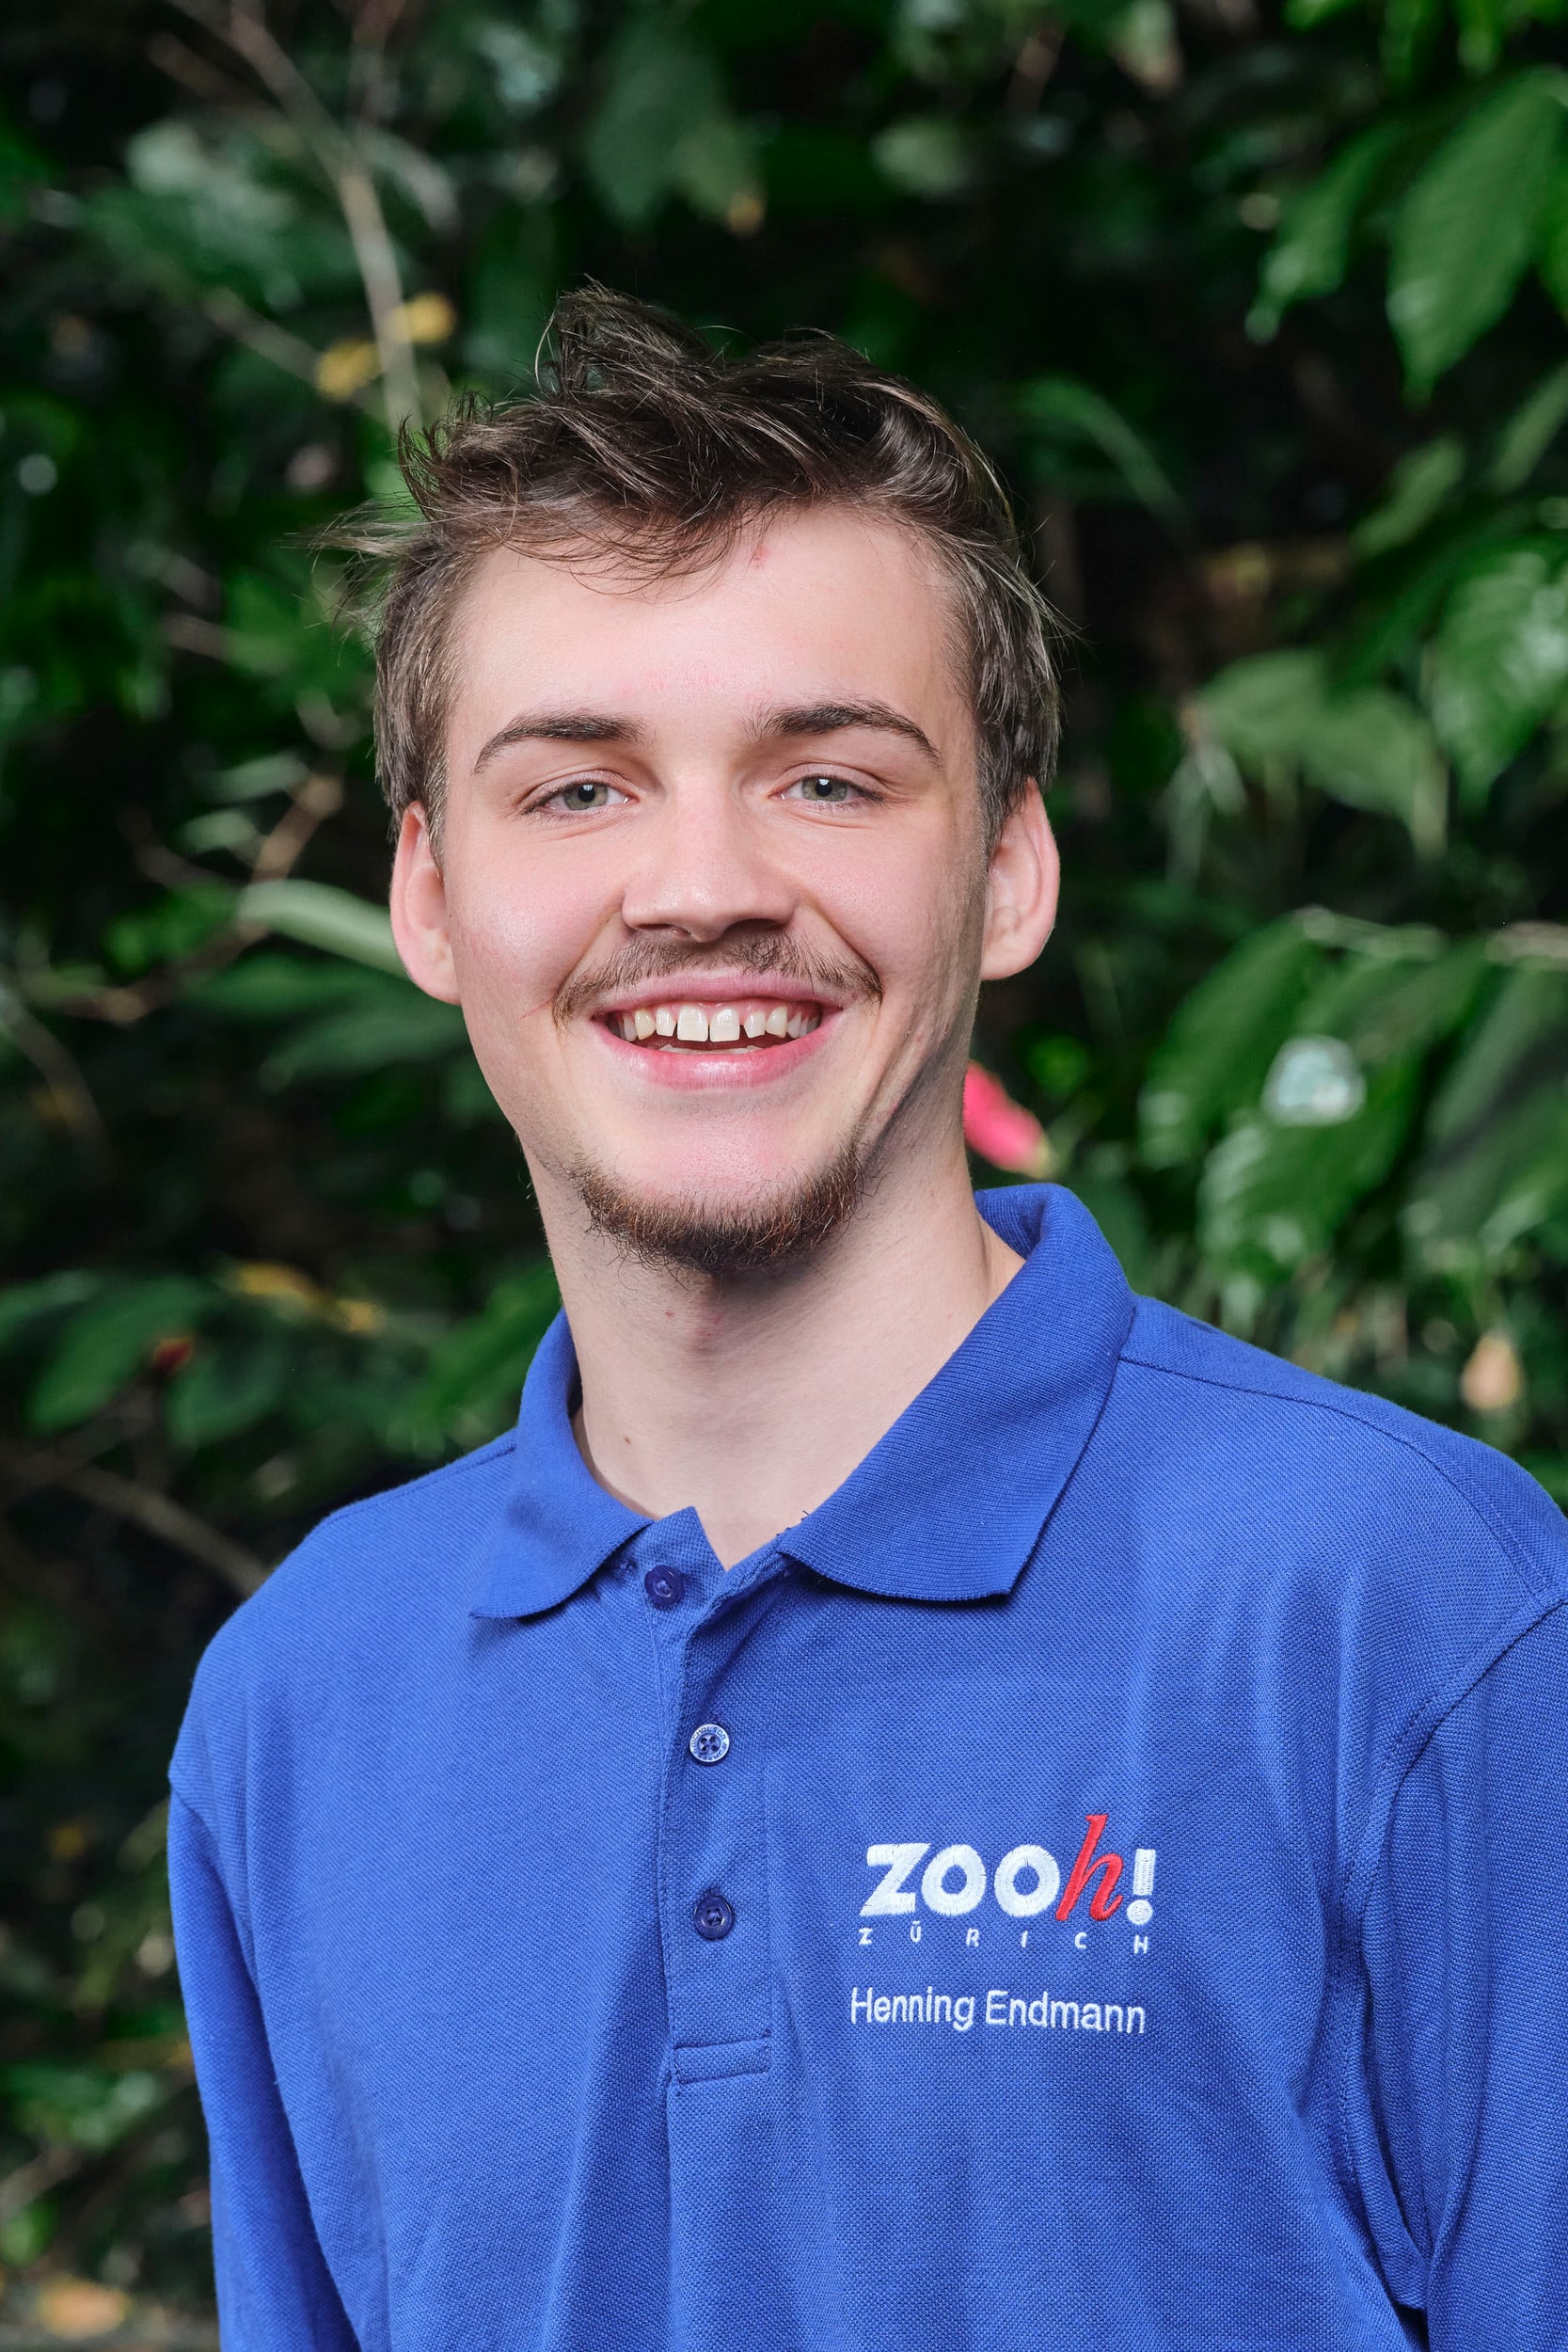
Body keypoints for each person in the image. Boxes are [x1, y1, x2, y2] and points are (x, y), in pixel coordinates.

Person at [169, 289, 1568, 2352]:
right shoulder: (302, 1699)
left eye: (829, 780)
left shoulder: (1407, 1611)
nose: (703, 883)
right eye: (577, 790)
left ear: (1009, 867)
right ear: (430, 894)